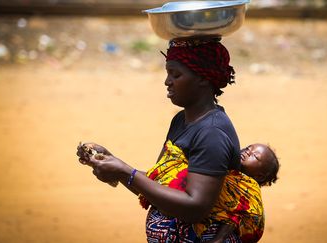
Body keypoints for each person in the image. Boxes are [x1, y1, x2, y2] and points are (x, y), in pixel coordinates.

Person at [77, 37, 245, 242]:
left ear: (203, 78)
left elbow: (195, 207)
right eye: (168, 73)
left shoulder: (211, 133)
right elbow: (158, 186)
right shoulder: (181, 121)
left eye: (176, 74)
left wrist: (124, 171)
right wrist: (113, 164)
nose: (167, 81)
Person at [137, 142, 279, 243]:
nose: (248, 152)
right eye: (248, 148)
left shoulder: (249, 189)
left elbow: (237, 218)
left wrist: (219, 238)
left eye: (255, 156)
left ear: (260, 176)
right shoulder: (224, 169)